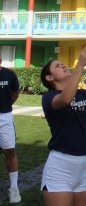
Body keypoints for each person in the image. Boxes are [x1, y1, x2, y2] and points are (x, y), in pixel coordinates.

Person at [40, 45, 86, 206]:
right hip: (61, 168)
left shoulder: (82, 94)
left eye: (62, 64)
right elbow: (65, 99)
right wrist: (80, 65)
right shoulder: (49, 98)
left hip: (85, 166)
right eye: (57, 66)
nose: (63, 65)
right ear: (50, 78)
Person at [0, 52, 21, 204]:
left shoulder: (9, 75)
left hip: (5, 116)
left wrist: (5, 106)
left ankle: (14, 188)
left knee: (10, 151)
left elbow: (14, 93)